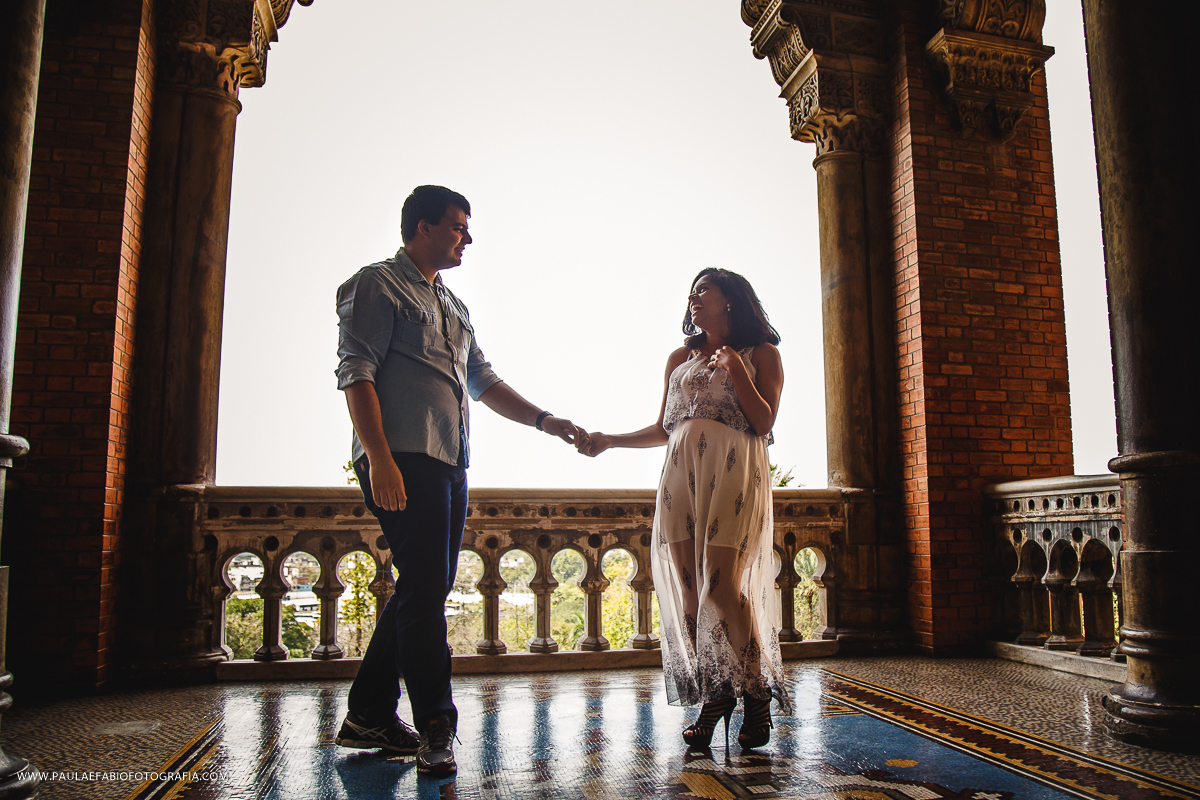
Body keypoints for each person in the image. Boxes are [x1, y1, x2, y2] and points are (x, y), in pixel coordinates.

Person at [333, 185, 581, 775]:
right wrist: (380, 459)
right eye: (457, 227)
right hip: (401, 457)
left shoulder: (455, 306)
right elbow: (356, 372)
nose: (467, 238)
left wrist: (546, 421)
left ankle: (368, 712)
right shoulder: (376, 285)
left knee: (425, 588)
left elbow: (483, 380)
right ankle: (436, 727)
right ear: (422, 227)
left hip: (449, 460)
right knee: (424, 589)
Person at [576, 268, 790, 749]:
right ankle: (717, 694)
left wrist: (736, 368)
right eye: (691, 292)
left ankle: (755, 694)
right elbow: (665, 427)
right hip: (679, 478)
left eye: (702, 290)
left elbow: (763, 422)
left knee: (722, 587)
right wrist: (610, 440)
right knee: (692, 597)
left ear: (730, 299)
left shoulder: (762, 354)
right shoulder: (680, 358)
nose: (693, 298)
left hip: (732, 473)